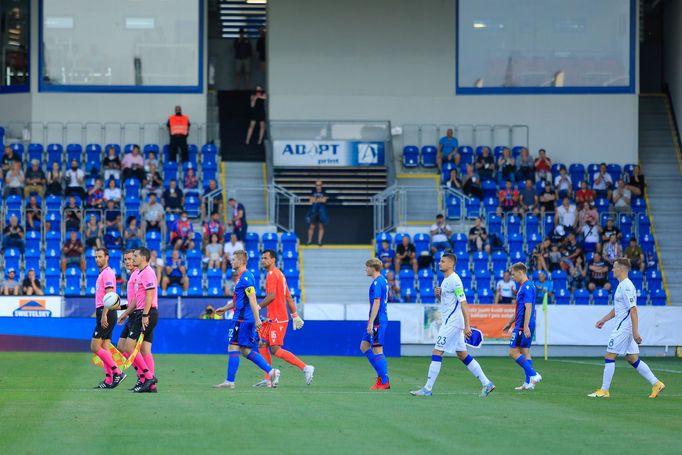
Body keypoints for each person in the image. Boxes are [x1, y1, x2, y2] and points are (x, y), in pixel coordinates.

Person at [410, 253, 495, 397]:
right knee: (462, 354)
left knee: (437, 352)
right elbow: (448, 302)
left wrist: (467, 325)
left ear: (450, 264)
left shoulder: (455, 280)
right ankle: (487, 383)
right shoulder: (445, 280)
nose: (439, 263)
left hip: (452, 323)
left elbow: (463, 303)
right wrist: (439, 294)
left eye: (442, 261)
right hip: (452, 322)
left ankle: (427, 389)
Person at [588, 258, 665, 398]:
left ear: (621, 269)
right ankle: (656, 383)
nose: (612, 270)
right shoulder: (621, 285)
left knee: (609, 356)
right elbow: (618, 309)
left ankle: (604, 390)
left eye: (614, 267)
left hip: (624, 327)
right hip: (625, 326)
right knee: (632, 358)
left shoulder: (627, 286)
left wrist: (635, 331)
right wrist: (603, 320)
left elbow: (633, 309)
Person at [213, 250, 281, 389]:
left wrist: (257, 321)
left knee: (233, 346)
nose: (232, 262)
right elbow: (240, 300)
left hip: (242, 320)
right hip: (244, 319)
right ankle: (271, 371)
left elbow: (252, 298)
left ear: (241, 261)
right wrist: (225, 308)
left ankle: (229, 381)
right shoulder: (242, 278)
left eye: (234, 260)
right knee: (245, 350)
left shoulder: (246, 278)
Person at [254, 250, 314, 387]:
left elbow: (271, 296)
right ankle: (269, 377)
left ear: (273, 259)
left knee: (275, 350)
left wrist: (258, 307)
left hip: (277, 318)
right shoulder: (280, 274)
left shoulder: (272, 275)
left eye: (266, 258)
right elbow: (288, 297)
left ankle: (305, 368)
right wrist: (295, 315)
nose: (263, 260)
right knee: (262, 344)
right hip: (273, 318)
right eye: (262, 258)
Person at [124, 247, 160, 393]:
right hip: (142, 312)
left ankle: (148, 377)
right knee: (145, 349)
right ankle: (150, 386)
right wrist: (126, 313)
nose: (133, 259)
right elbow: (137, 298)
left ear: (144, 258)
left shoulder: (148, 273)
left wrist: (145, 315)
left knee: (128, 347)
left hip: (146, 313)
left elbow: (150, 296)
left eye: (136, 256)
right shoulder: (140, 273)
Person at [503, 262, 542, 391]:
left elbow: (528, 306)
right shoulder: (523, 286)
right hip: (522, 323)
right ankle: (528, 383)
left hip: (522, 325)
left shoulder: (527, 287)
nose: (513, 277)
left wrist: (525, 326)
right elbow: (520, 309)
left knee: (513, 352)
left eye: (514, 274)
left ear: (521, 272)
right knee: (525, 351)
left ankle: (533, 374)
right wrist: (509, 323)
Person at [91, 247, 126, 389]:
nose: (98, 259)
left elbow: (110, 296)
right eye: (96, 257)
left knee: (94, 346)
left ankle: (117, 372)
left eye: (100, 256)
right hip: (105, 311)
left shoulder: (107, 274)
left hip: (106, 312)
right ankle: (108, 379)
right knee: (105, 346)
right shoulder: (104, 274)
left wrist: (104, 314)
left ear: (107, 257)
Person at [360, 258, 391, 390]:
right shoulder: (382, 280)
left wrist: (371, 323)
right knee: (364, 345)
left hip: (377, 320)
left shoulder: (377, 282)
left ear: (373, 268)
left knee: (377, 349)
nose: (365, 269)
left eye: (367, 267)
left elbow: (377, 302)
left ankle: (384, 380)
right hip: (376, 319)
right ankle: (381, 374)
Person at [115, 250, 138, 382]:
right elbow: (131, 302)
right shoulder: (132, 276)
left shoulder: (136, 276)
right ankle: (143, 375)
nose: (128, 262)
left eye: (130, 259)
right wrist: (120, 307)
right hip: (131, 314)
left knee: (131, 349)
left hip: (136, 315)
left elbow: (136, 302)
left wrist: (124, 313)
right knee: (121, 347)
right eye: (126, 260)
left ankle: (144, 376)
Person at [305, 181, 328, 246]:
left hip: (321, 211)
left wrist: (315, 200)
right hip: (313, 211)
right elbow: (310, 200)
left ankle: (319, 241)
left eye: (319, 185)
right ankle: (309, 240)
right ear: (315, 185)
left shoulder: (324, 192)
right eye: (317, 185)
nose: (318, 186)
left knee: (321, 226)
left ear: (321, 185)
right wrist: (319, 199)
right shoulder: (312, 192)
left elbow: (324, 200)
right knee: (311, 226)